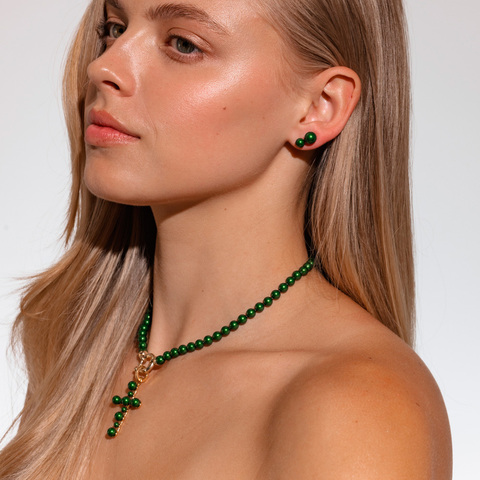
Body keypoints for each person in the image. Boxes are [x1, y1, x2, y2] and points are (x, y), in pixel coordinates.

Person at [0, 0, 452, 478]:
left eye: (183, 44)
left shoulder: (357, 408)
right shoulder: (73, 343)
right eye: (114, 27)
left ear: (320, 106)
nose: (103, 66)